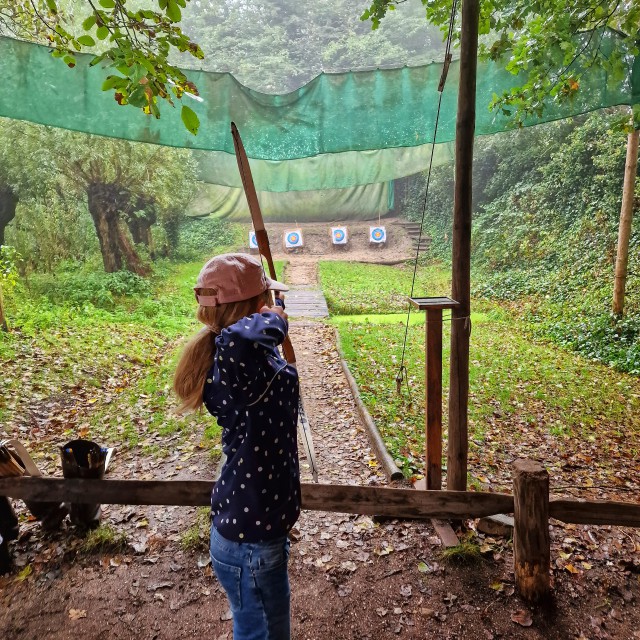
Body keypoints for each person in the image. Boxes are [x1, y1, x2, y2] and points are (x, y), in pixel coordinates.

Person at [174, 253, 301, 640]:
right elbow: (242, 336)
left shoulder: (244, 361)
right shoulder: (233, 353)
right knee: (262, 634)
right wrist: (277, 315)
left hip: (255, 533)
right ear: (252, 308)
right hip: (250, 542)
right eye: (265, 298)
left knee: (266, 629)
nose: (272, 305)